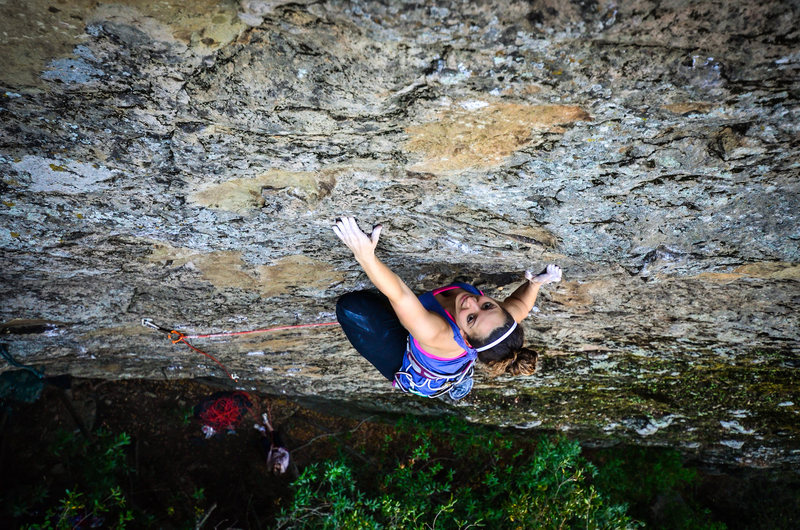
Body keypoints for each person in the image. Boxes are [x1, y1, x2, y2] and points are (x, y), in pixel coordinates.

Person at [333, 216, 562, 400]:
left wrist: (366, 256)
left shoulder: (438, 334)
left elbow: (400, 295)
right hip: (439, 348)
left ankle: (444, 386)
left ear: (463, 336)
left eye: (471, 318)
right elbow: (520, 305)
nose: (472, 302)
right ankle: (459, 376)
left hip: (411, 366)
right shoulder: (497, 323)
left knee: (352, 307)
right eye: (487, 304)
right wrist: (535, 283)